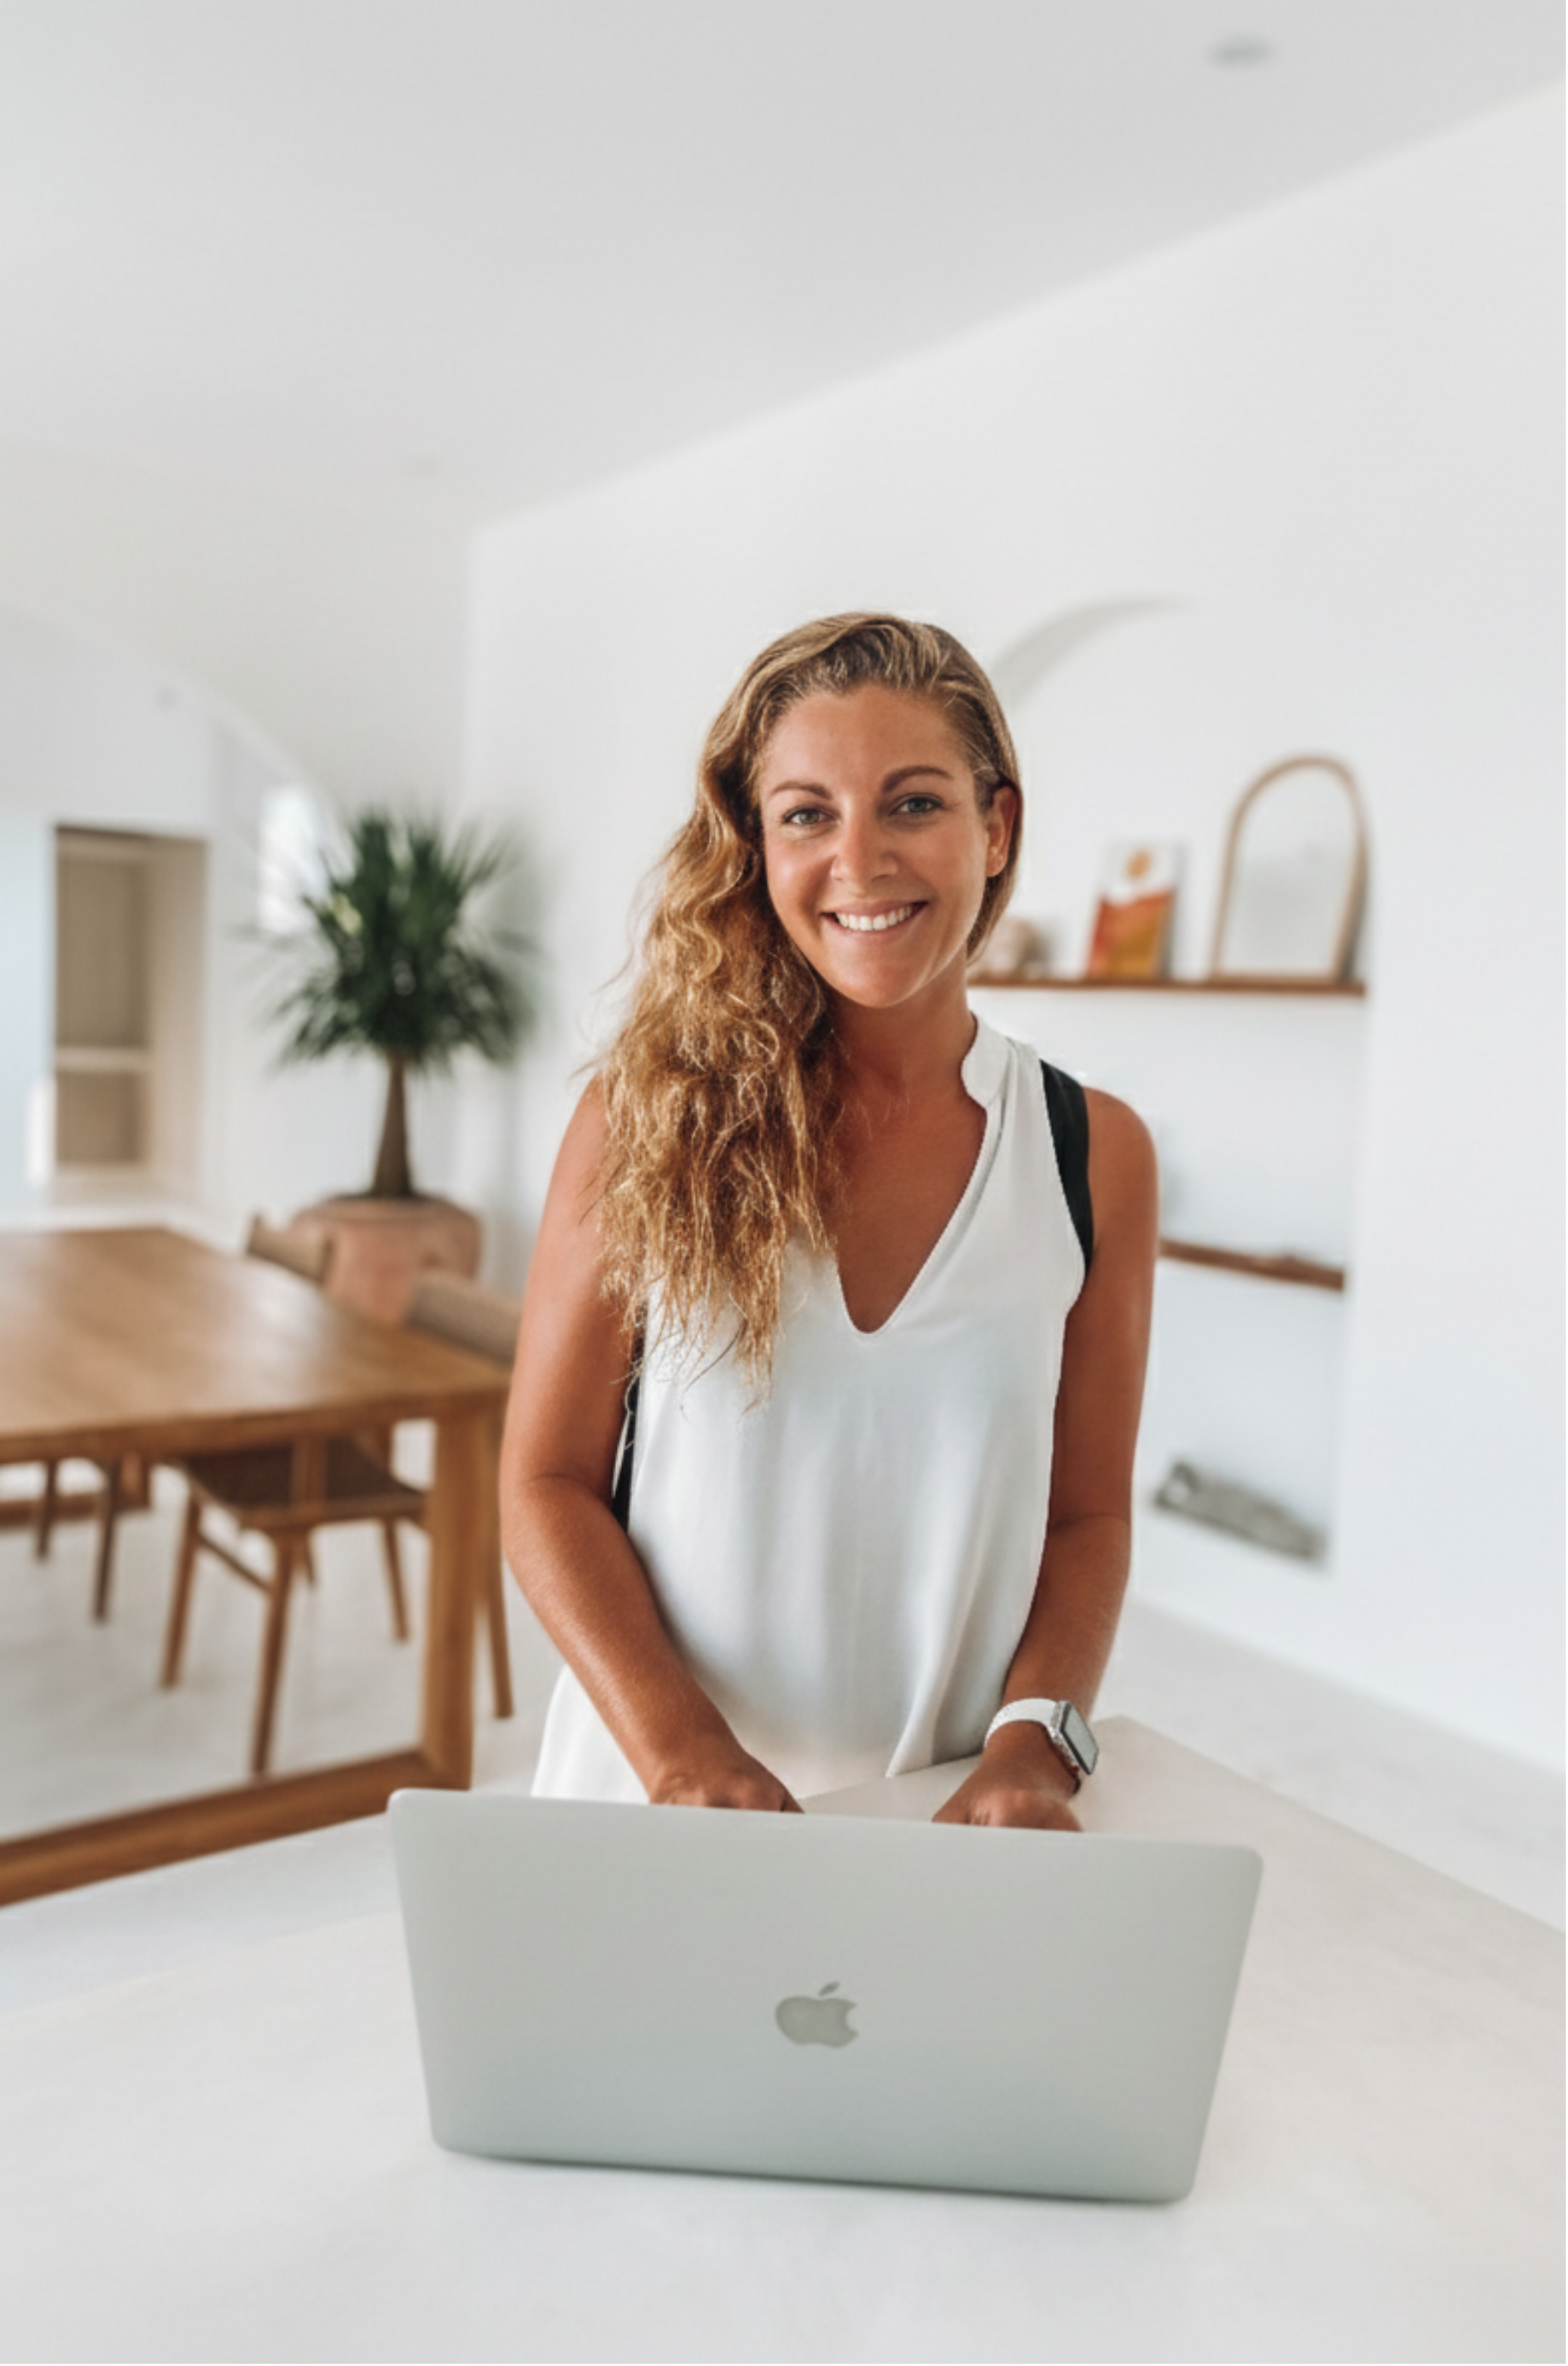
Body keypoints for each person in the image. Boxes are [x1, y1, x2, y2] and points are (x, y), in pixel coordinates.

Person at [501, 613, 1158, 1829]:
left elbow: (1086, 1517)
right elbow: (544, 1483)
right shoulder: (640, 1121)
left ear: (993, 825)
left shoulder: (1089, 1152)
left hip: (946, 1820)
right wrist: (681, 1758)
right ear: (755, 844)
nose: (859, 861)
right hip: (651, 1809)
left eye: (912, 803)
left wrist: (1034, 1747)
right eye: (807, 813)